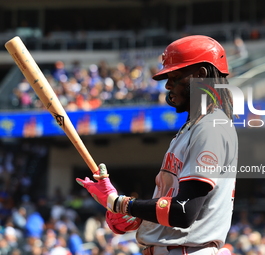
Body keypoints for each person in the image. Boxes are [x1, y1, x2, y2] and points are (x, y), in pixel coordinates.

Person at [76, 35, 238, 255]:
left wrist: (121, 203)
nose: (168, 85)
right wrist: (133, 215)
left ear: (200, 75)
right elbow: (169, 210)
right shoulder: (191, 129)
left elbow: (183, 211)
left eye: (175, 76)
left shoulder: (211, 127)